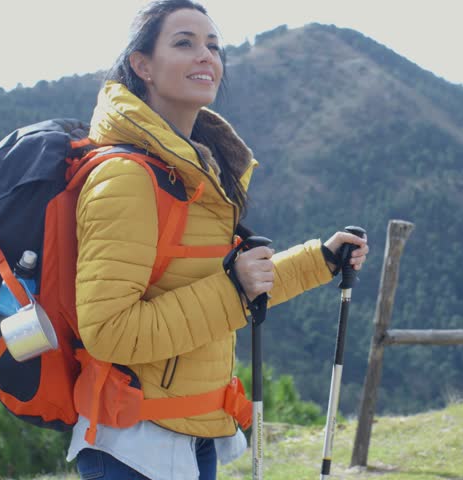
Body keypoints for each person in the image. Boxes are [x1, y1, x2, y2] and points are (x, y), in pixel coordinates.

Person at [66, 1, 369, 479]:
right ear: (142, 65)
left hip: (194, 431)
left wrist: (322, 260)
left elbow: (230, 287)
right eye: (184, 43)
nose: (205, 55)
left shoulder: (194, 171)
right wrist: (233, 289)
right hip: (132, 446)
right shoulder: (127, 178)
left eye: (213, 45)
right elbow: (109, 332)